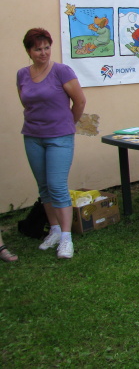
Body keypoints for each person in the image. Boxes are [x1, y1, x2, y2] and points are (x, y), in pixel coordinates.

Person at [17, 28, 86, 259]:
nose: (44, 53)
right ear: (29, 51)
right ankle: (54, 230)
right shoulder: (22, 74)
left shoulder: (61, 71)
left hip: (59, 138)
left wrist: (67, 124)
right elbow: (27, 102)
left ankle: (66, 238)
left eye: (47, 47)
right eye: (38, 49)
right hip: (33, 136)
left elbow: (79, 101)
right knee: (44, 187)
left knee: (57, 186)